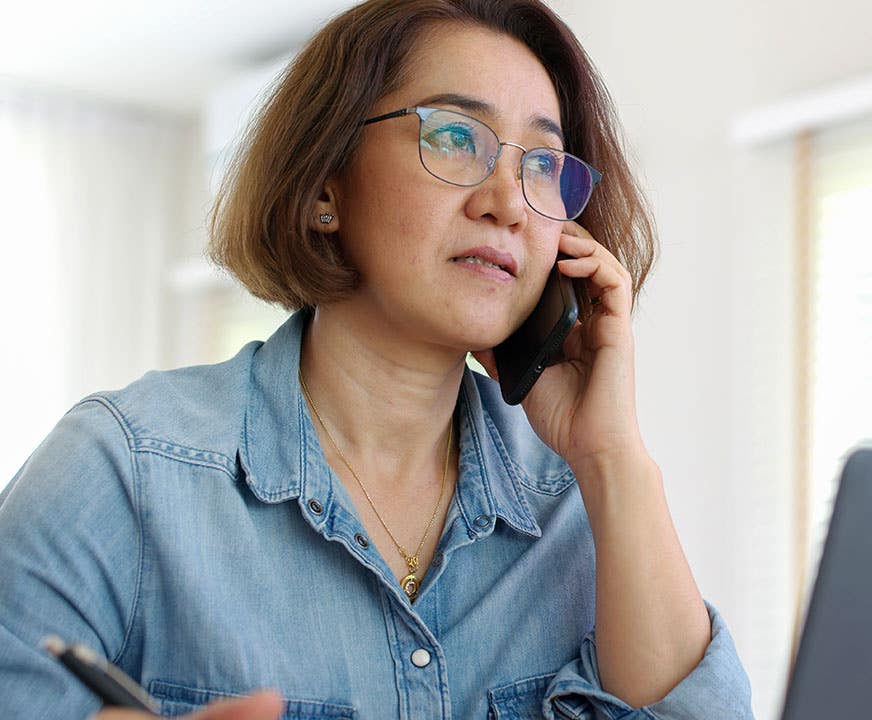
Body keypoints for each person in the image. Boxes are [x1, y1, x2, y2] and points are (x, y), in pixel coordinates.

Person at [0, 1, 754, 718]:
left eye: (544, 164)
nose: (509, 203)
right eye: (456, 137)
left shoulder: (574, 497)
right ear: (327, 185)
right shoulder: (125, 466)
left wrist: (613, 458)